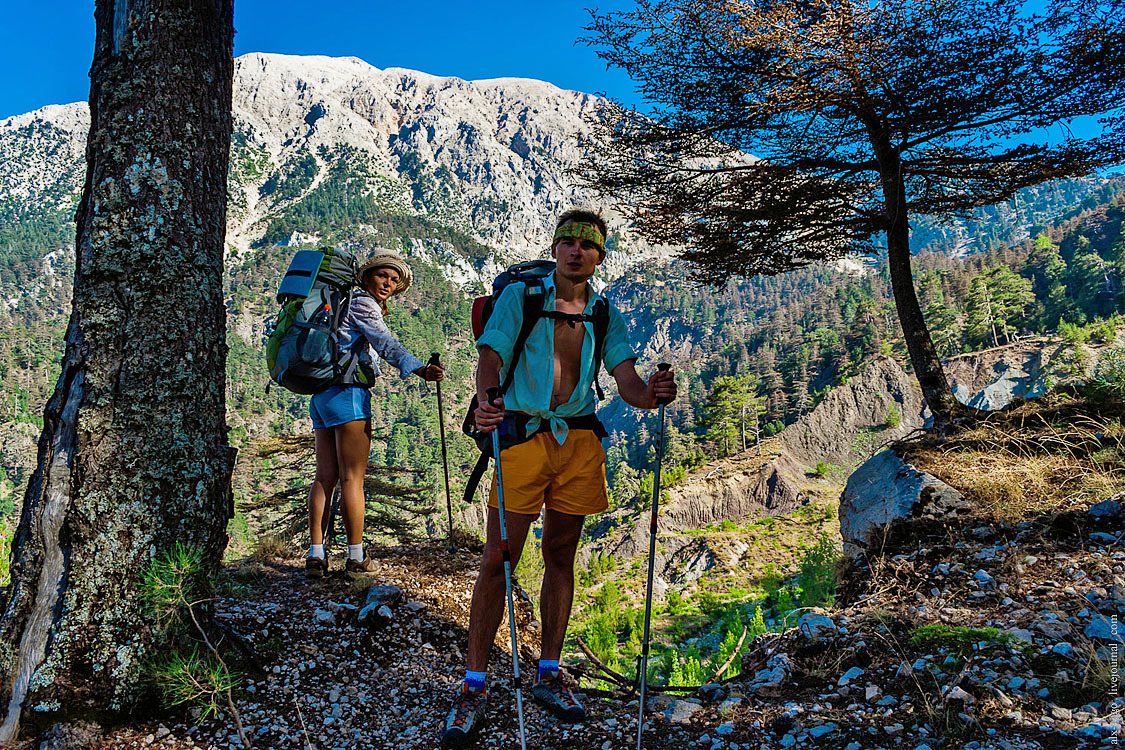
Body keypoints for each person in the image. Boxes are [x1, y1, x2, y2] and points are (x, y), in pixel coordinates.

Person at [442, 210, 677, 746]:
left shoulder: (601, 312)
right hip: (522, 438)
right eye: (566, 242)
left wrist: (654, 393)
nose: (575, 252)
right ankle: (473, 684)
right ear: (555, 248)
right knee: (498, 560)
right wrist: (485, 402)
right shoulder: (522, 298)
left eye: (586, 245)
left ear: (599, 256)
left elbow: (630, 388)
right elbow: (491, 356)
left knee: (562, 556)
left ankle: (549, 671)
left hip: (578, 442)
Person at [304, 251, 443, 580]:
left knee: (325, 476)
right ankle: (355, 557)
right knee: (352, 478)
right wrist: (419, 368)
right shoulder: (363, 303)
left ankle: (316, 555)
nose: (389, 284)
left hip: (322, 393)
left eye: (395, 280)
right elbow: (386, 344)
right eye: (383, 275)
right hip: (349, 393)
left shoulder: (340, 302)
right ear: (367, 277)